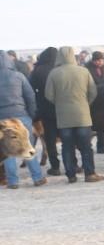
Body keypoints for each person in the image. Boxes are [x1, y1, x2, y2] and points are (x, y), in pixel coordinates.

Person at [45, 46, 102, 183]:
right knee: (86, 146)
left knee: (67, 146)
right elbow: (93, 92)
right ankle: (90, 173)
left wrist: (60, 103)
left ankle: (71, 175)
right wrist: (85, 103)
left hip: (63, 117)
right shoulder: (84, 71)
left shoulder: (54, 73)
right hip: (83, 115)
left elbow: (49, 95)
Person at [0, 51, 46, 188]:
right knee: (27, 147)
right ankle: (37, 178)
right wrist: (30, 116)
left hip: (2, 120)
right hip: (21, 117)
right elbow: (30, 96)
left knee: (8, 150)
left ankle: (13, 181)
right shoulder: (18, 76)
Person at [29, 47, 61, 175]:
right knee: (67, 138)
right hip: (62, 108)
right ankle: (72, 165)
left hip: (45, 109)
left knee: (50, 138)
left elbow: (30, 90)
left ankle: (55, 166)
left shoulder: (37, 70)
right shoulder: (60, 69)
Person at [84, 51, 104, 153]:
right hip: (94, 101)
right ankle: (100, 146)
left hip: (103, 99)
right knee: (97, 125)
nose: (100, 62)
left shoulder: (103, 68)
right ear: (94, 60)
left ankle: (102, 143)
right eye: (98, 60)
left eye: (101, 60)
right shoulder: (87, 69)